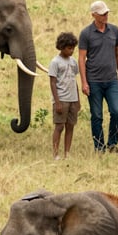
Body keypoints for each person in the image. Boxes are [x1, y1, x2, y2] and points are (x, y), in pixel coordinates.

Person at [78, 0, 118, 153]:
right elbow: (81, 59)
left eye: (107, 13)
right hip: (94, 80)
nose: (106, 16)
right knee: (96, 115)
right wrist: (84, 82)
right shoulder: (86, 33)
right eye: (102, 14)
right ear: (94, 15)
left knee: (116, 111)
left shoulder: (114, 31)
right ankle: (99, 146)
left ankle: (112, 143)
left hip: (112, 80)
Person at [49, 31, 80, 160]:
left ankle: (67, 153)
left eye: (73, 48)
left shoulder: (73, 62)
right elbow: (52, 82)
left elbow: (74, 80)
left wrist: (78, 100)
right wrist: (57, 102)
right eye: (69, 48)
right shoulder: (55, 62)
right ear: (61, 47)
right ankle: (56, 153)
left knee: (70, 126)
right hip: (61, 98)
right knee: (59, 126)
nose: (71, 51)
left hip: (73, 98)